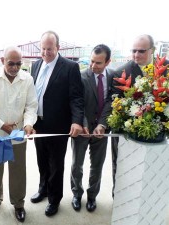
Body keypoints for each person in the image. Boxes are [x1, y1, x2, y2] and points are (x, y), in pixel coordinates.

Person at [0, 46, 38, 222]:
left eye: (18, 64)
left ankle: (18, 204)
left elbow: (31, 106)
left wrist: (28, 124)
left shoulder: (27, 79)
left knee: (18, 171)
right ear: (2, 61)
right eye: (11, 63)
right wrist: (1, 124)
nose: (14, 67)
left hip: (17, 134)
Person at [30, 31, 84, 216]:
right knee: (42, 161)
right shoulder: (35, 65)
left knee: (56, 165)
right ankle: (43, 188)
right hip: (38, 125)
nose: (46, 52)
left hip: (59, 126)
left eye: (50, 49)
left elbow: (76, 98)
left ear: (58, 48)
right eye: (43, 49)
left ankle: (54, 199)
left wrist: (76, 121)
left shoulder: (70, 67)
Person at [111, 34, 169, 197]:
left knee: (152, 171)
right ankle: (120, 198)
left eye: (141, 51)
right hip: (127, 133)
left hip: (158, 133)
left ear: (152, 50)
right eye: (134, 51)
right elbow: (115, 104)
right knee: (123, 168)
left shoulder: (166, 68)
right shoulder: (120, 72)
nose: (136, 55)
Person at [70, 44, 114, 212]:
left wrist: (102, 124)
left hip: (102, 131)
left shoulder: (113, 77)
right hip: (82, 128)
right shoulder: (80, 77)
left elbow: (111, 102)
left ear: (108, 62)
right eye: (92, 61)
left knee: (97, 165)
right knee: (77, 165)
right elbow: (76, 102)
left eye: (98, 63)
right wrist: (84, 124)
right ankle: (76, 194)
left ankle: (92, 196)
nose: (93, 66)